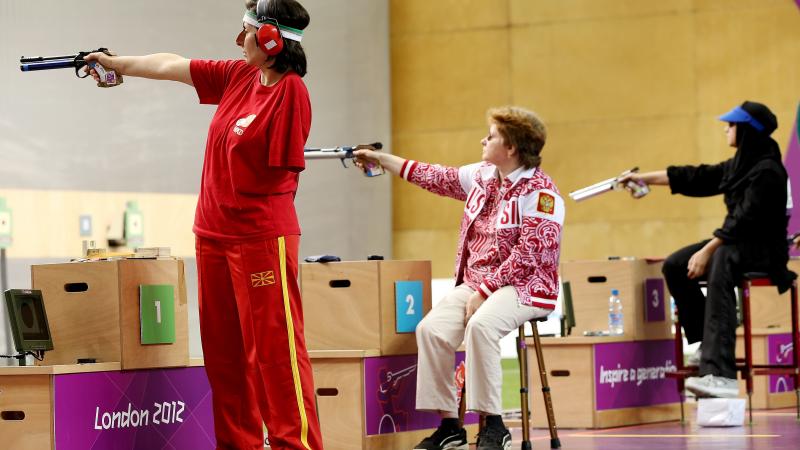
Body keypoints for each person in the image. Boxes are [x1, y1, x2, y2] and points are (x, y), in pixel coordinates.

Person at [84, 1, 323, 448]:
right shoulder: (239, 75)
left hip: (259, 239)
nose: (238, 40)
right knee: (225, 358)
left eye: (246, 32)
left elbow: (283, 178)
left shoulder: (291, 92)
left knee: (273, 355)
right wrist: (116, 63)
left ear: (271, 39)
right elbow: (170, 65)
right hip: (213, 236)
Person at [355, 106, 564, 450]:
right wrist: (382, 159)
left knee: (480, 327)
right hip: (477, 284)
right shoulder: (481, 175)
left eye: (492, 135)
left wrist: (484, 290)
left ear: (510, 147)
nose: (484, 139)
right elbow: (433, 176)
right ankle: (450, 425)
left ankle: (494, 425)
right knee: (431, 330)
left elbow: (531, 255)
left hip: (525, 286)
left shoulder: (541, 193)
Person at [619, 100, 795, 398]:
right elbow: (697, 177)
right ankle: (706, 343)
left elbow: (745, 220)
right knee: (675, 264)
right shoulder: (741, 164)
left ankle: (720, 374)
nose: (726, 129)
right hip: (736, 241)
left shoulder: (768, 170)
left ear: (748, 131)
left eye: (732, 125)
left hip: (765, 249)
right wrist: (642, 178)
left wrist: (708, 250)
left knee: (720, 259)